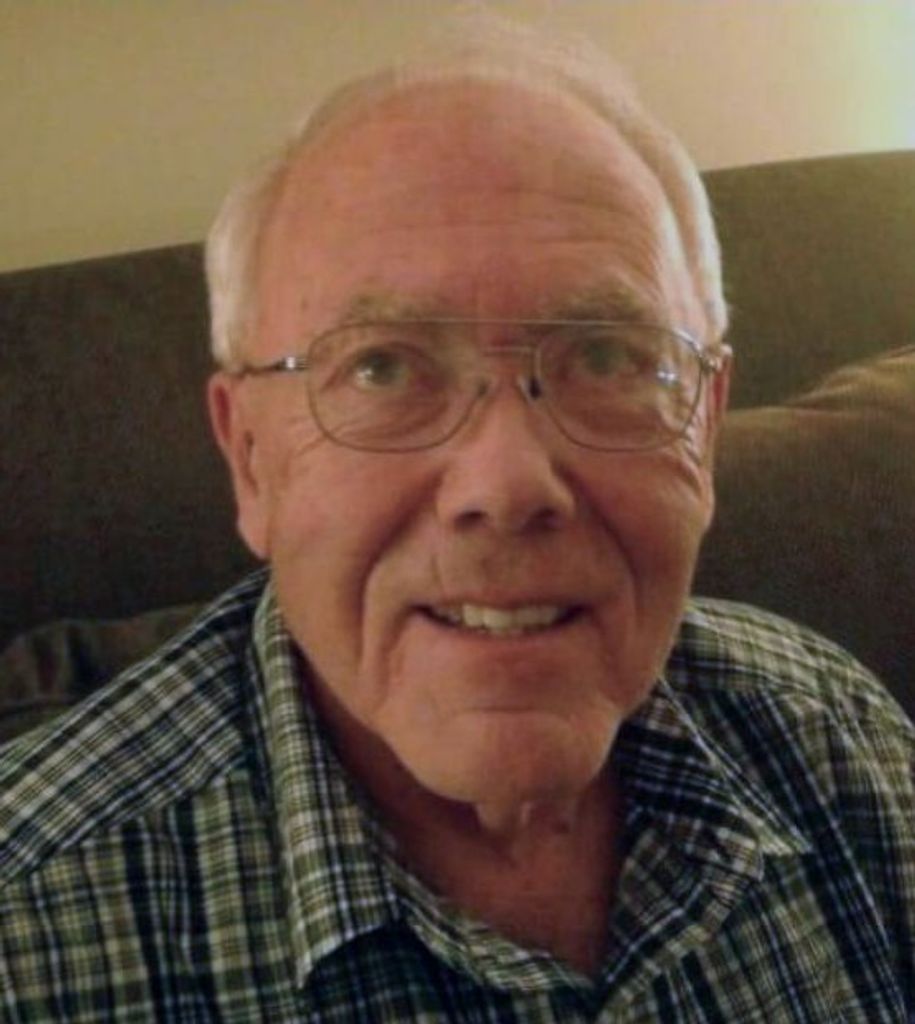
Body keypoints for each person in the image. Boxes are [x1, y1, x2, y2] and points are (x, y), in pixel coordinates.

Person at [2, 17, 913, 1023]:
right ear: (249, 457)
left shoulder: (837, 740)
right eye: (382, 368)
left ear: (701, 429)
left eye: (606, 358)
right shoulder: (26, 936)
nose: (507, 484)